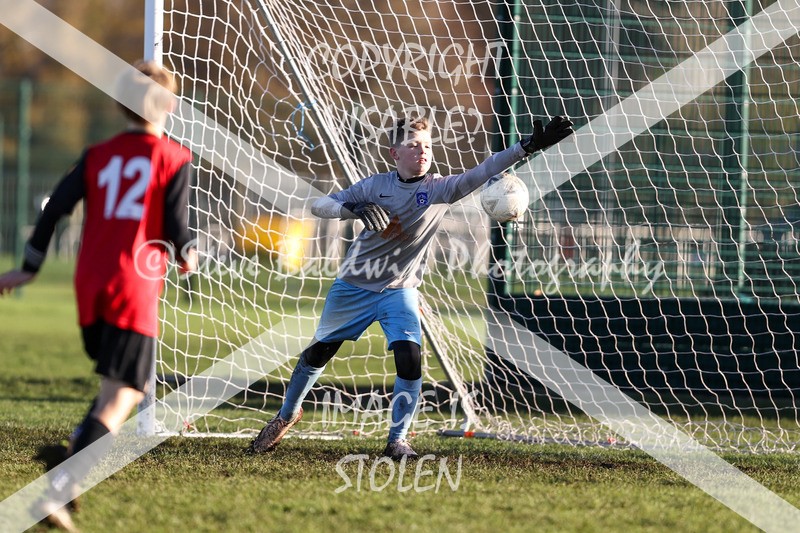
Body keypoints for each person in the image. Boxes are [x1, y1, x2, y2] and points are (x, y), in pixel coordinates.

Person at [250, 114, 573, 460]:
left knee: (410, 359)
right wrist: (353, 207)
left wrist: (527, 147)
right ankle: (287, 415)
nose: (422, 151)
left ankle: (397, 440)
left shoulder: (439, 189)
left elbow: (484, 170)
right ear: (394, 153)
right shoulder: (374, 187)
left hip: (399, 289)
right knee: (318, 353)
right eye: (413, 145)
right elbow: (319, 205)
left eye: (427, 145)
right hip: (353, 286)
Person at [0, 60, 196, 532]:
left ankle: (72, 452)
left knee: (122, 385)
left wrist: (27, 269)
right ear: (169, 105)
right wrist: (188, 253)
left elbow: (53, 211)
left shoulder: (97, 155)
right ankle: (60, 489)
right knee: (123, 392)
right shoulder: (173, 158)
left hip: (90, 287)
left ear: (118, 104)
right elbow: (174, 226)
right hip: (133, 286)